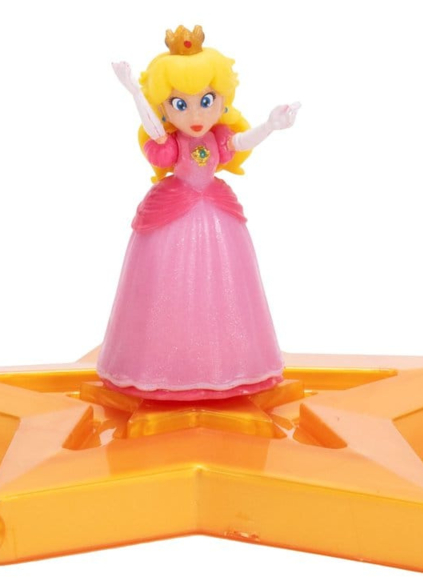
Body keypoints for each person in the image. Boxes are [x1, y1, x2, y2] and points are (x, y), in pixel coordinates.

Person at [97, 25, 300, 401]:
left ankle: (225, 363)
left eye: (206, 101)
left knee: (223, 287)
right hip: (174, 209)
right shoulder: (170, 141)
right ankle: (165, 365)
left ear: (222, 102)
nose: (195, 114)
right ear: (164, 107)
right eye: (180, 104)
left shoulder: (218, 139)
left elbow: (240, 142)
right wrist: (135, 92)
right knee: (167, 287)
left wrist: (271, 126)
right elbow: (154, 130)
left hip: (216, 210)